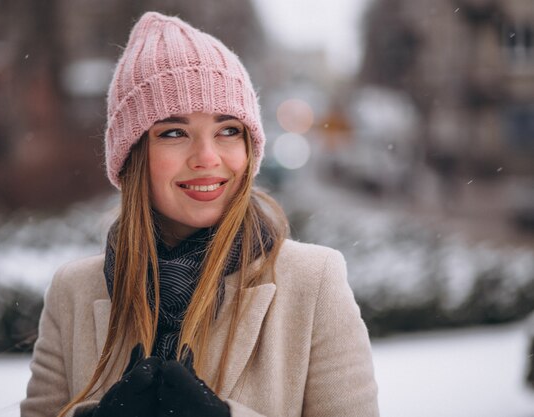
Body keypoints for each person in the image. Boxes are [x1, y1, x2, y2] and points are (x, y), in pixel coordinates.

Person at [21, 11, 379, 417]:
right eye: (174, 133)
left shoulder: (314, 284)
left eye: (228, 130)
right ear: (133, 156)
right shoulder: (73, 292)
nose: (208, 158)